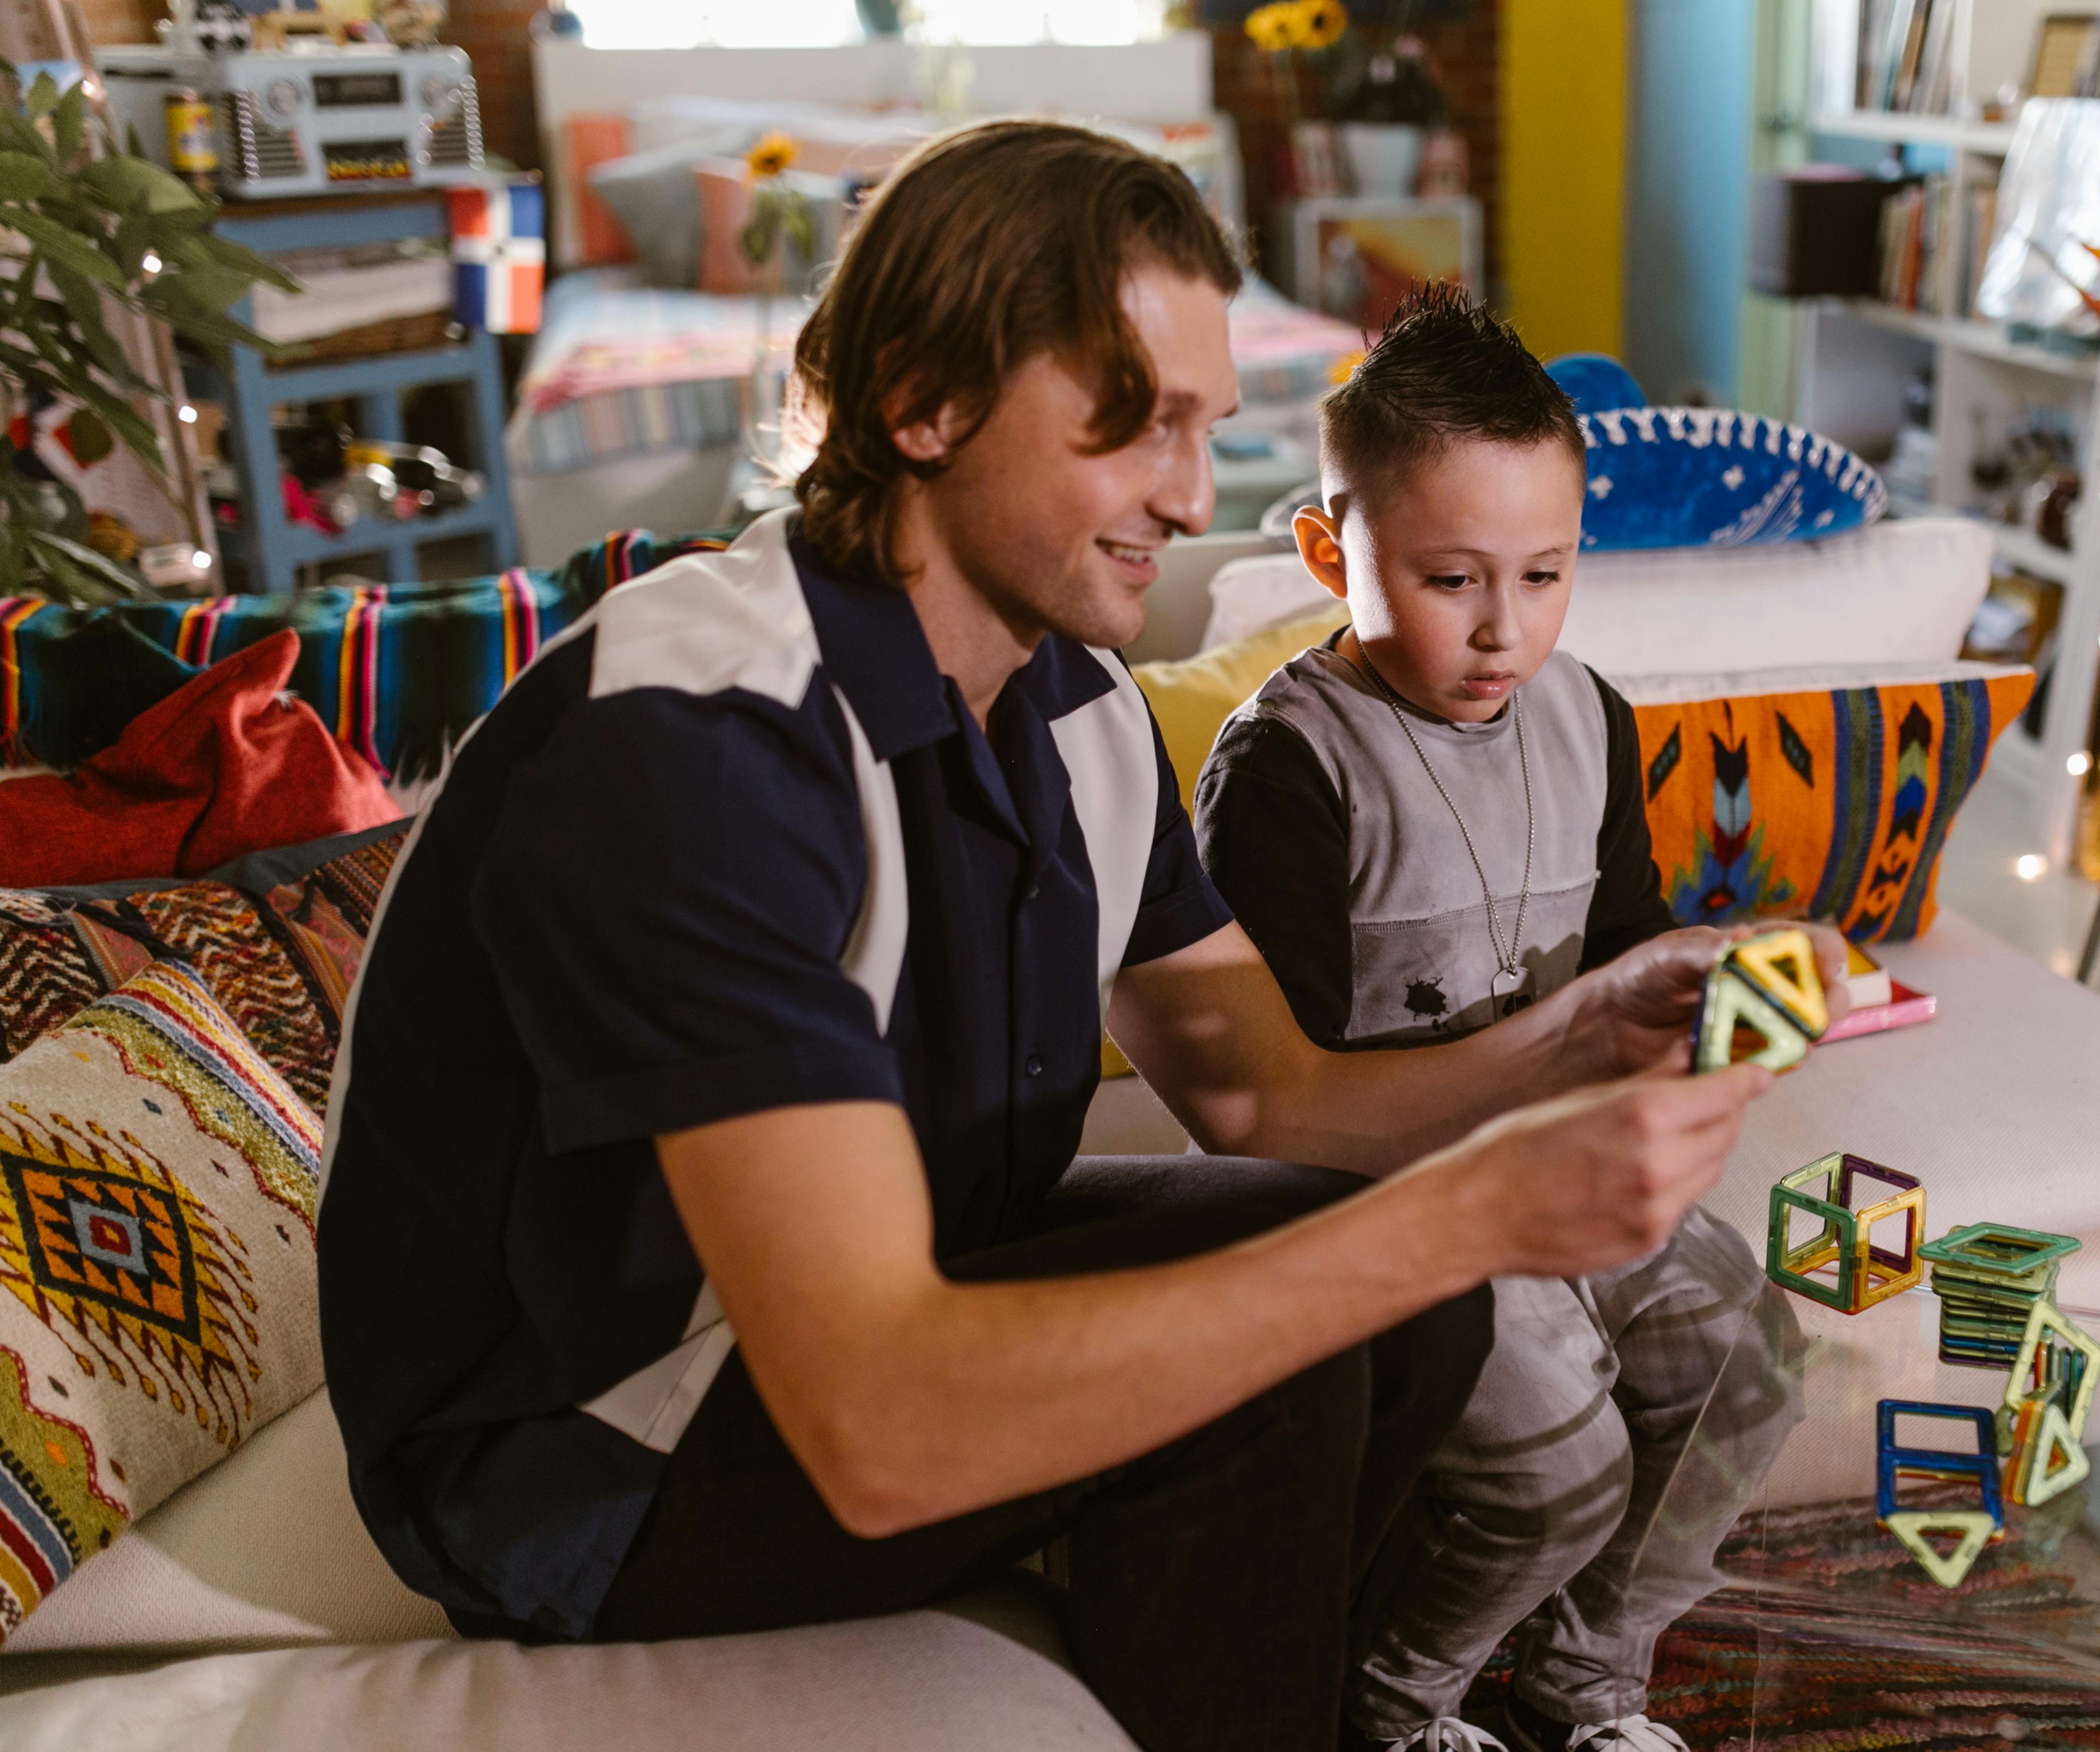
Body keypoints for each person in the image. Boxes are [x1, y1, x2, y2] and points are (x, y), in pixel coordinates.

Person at [315, 122, 1808, 1752]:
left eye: (1207, 426)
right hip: (583, 1461)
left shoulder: (1076, 710)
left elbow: (1271, 1102)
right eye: (1138, 424)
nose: (1190, 489)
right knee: (1323, 1321)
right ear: (923, 399)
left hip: (889, 1291)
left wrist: (1587, 1033)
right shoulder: (701, 746)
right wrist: (1466, 1218)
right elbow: (879, 1421)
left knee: (1375, 1286)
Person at [1193, 284, 1824, 1752]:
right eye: (1451, 578)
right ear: (1325, 549)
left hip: (1571, 1167)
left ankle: (1587, 1680)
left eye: (1544, 575)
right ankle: (1397, 1710)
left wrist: (1730, 988)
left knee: (1751, 1357)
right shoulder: (1285, 768)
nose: (1503, 630)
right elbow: (1274, 1116)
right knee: (1559, 1468)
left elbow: (1626, 943)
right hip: (1398, 1206)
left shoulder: (1590, 714)